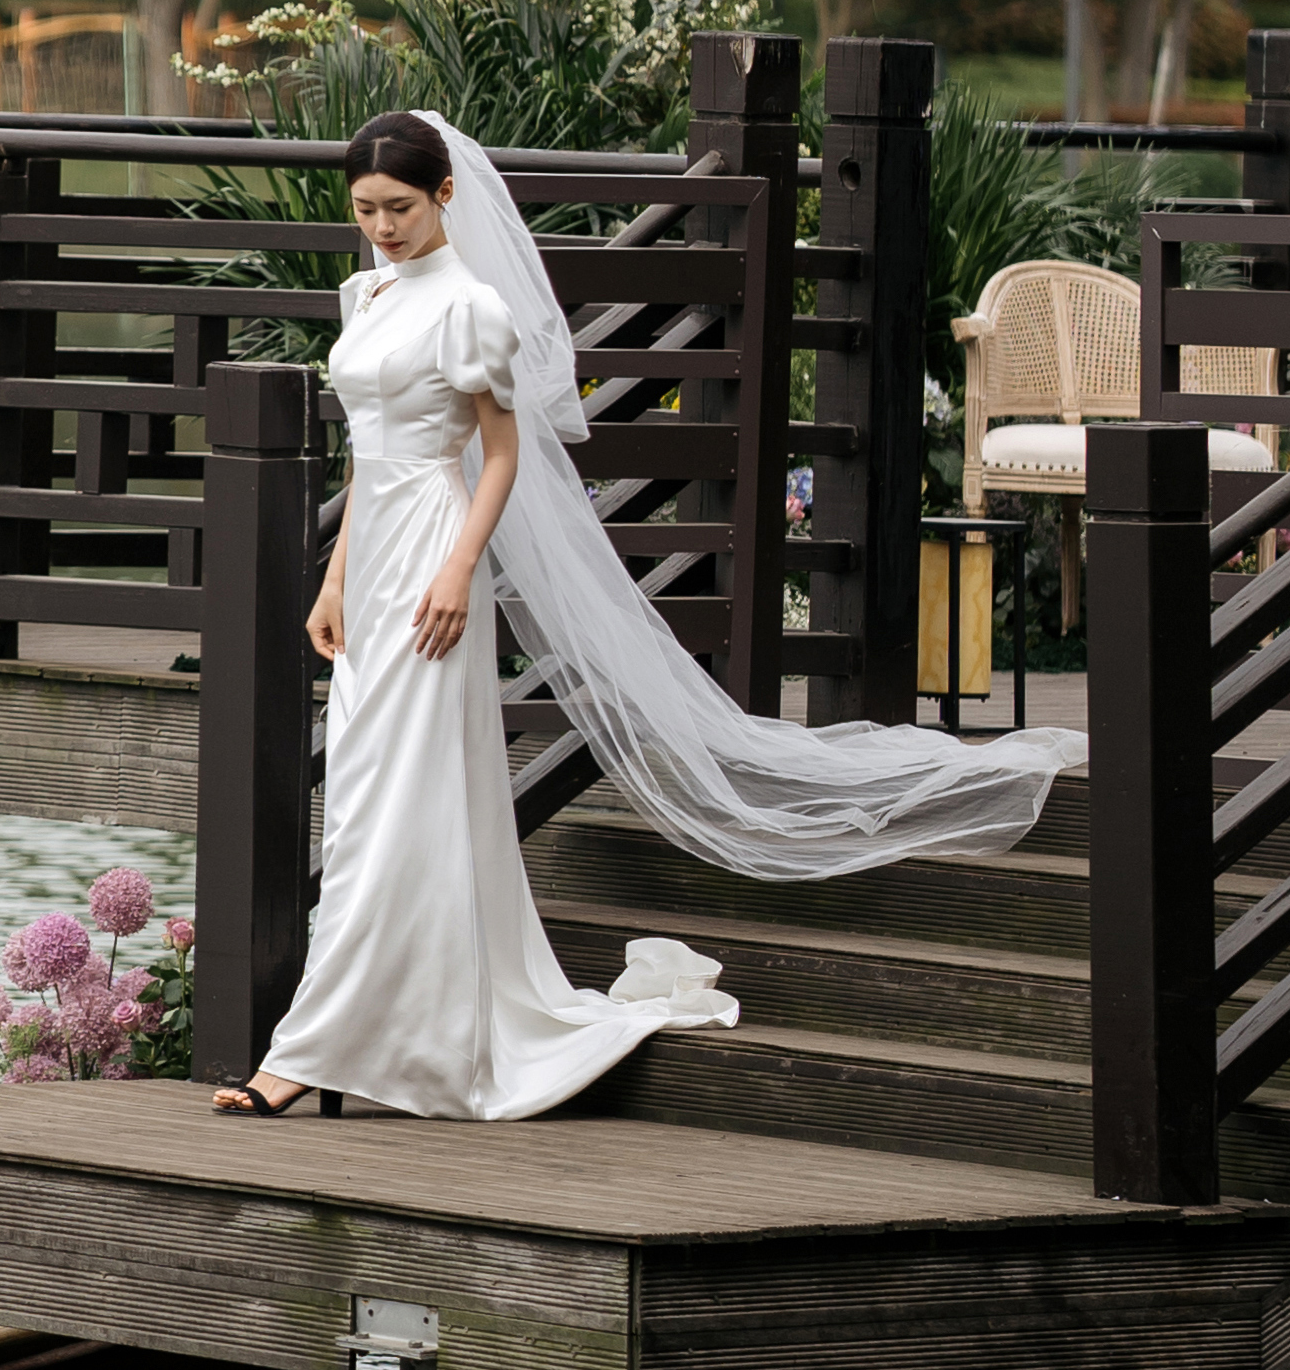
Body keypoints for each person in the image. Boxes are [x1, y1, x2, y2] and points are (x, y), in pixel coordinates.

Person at [216, 111, 1084, 1122]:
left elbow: (498, 458)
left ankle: (310, 1049)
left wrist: (458, 570)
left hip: (434, 560)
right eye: (364, 210)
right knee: (368, 794)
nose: (380, 229)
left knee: (397, 800)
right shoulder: (363, 294)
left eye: (399, 209)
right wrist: (330, 579)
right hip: (369, 569)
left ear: (443, 195)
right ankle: (391, 1029)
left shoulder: (471, 310)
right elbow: (369, 456)